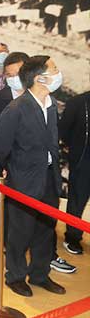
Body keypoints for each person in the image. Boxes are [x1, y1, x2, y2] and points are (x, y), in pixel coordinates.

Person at [0, 56, 67, 296]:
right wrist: (12, 168)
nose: (58, 73)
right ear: (39, 78)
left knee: (46, 230)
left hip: (49, 177)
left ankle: (39, 274)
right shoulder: (16, 108)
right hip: (23, 180)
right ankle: (15, 276)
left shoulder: (51, 104)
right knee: (20, 231)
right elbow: (0, 145)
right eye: (53, 69)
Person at [0, 52, 29, 182]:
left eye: (18, 74)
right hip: (3, 168)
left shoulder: (39, 97)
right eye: (9, 75)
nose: (14, 78)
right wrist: (2, 165)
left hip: (34, 168)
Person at [59, 84, 90, 256]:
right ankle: (72, 237)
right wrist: (74, 149)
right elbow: (64, 131)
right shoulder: (78, 102)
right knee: (77, 202)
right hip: (83, 161)